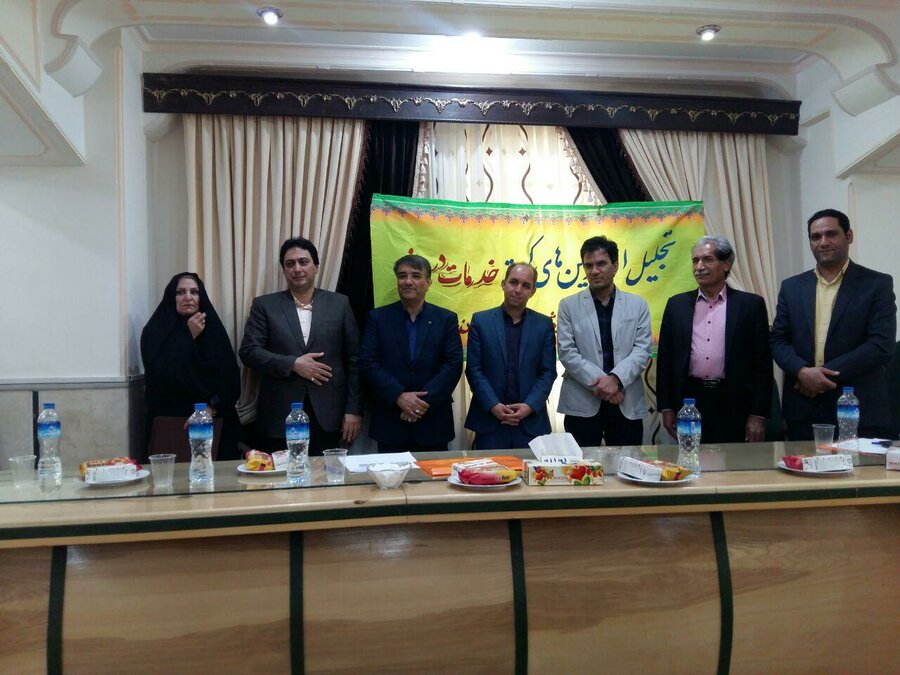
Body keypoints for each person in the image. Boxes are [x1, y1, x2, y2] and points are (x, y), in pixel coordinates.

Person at [771, 209, 896, 440]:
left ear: (849, 236)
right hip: (803, 407)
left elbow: (881, 345)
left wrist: (820, 377)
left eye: (831, 234)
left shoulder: (876, 284)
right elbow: (778, 339)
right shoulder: (792, 287)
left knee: (859, 465)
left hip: (857, 406)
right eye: (815, 237)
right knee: (801, 464)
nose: (823, 242)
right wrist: (802, 371)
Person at [238, 237, 362, 455]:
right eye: (290, 264)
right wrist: (293, 364)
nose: (297, 269)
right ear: (284, 270)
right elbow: (249, 352)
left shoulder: (339, 303)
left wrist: (353, 410)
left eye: (303, 262)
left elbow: (355, 360)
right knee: (281, 474)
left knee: (324, 474)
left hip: (328, 413)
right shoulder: (265, 305)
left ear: (316, 267)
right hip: (279, 413)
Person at [656, 236, 772, 443]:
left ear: (726, 264)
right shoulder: (676, 305)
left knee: (734, 461)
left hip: (735, 401)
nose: (699, 267)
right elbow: (665, 359)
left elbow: (762, 363)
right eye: (695, 261)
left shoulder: (751, 305)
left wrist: (758, 414)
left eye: (707, 259)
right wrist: (666, 406)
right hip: (690, 401)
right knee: (692, 458)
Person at [359, 254, 463, 452]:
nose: (408, 281)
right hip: (390, 420)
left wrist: (419, 404)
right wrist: (398, 396)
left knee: (434, 474)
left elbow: (453, 365)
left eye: (415, 276)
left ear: (428, 283)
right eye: (402, 276)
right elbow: (368, 362)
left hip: (432, 421)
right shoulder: (378, 318)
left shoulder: (446, 319)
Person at [557, 236, 652, 447]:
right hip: (582, 401)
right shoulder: (568, 305)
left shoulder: (637, 305)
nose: (594, 271)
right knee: (581, 465)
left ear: (615, 266)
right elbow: (567, 352)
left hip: (625, 400)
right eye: (588, 265)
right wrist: (605, 384)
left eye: (601, 264)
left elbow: (642, 350)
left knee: (627, 463)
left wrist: (616, 379)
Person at [141, 273, 242, 460]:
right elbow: (159, 375)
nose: (188, 297)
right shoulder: (155, 331)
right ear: (171, 297)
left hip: (214, 420)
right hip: (171, 422)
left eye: (194, 292)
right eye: (181, 292)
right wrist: (187, 337)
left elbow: (231, 380)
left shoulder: (213, 330)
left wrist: (209, 409)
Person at [464, 262, 556, 449]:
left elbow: (547, 372)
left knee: (530, 469)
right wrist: (493, 405)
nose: (518, 289)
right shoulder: (481, 321)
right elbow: (474, 370)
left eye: (526, 285)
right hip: (490, 421)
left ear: (533, 292)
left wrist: (529, 406)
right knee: (489, 469)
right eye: (514, 282)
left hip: (530, 423)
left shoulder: (544, 324)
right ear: (503, 284)